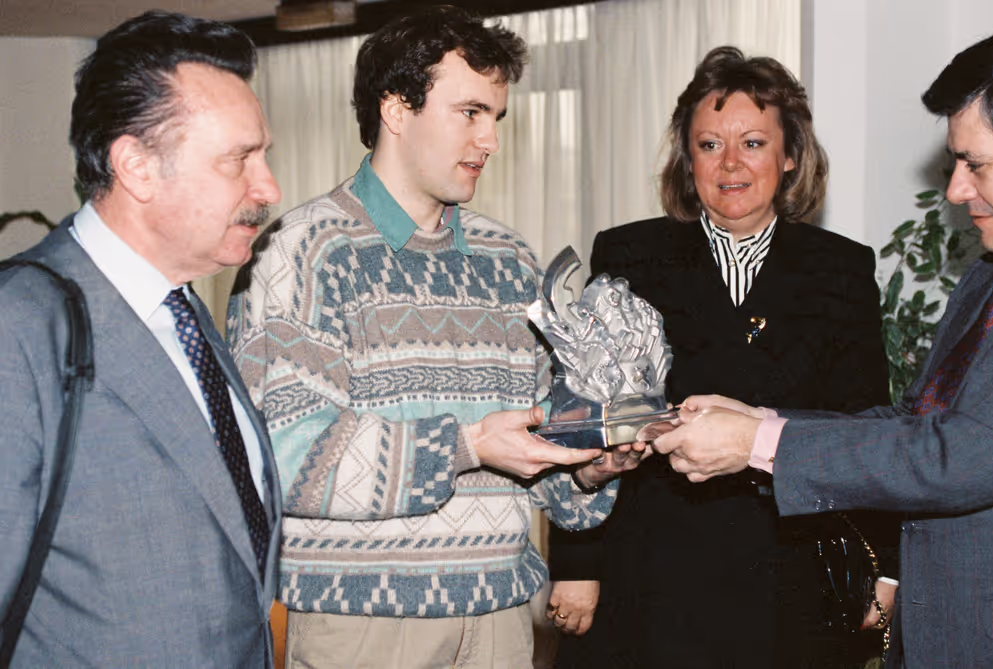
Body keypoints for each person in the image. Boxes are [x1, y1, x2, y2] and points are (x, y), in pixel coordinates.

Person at [226, 7, 643, 668]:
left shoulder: (509, 258)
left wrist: (594, 462)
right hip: (364, 623)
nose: (491, 141)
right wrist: (468, 443)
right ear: (397, 108)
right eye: (471, 112)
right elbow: (287, 456)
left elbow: (539, 453)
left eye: (497, 118)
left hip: (502, 620)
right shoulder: (301, 252)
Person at [649, 31, 993, 669]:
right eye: (709, 145)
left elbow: (966, 453)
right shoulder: (984, 279)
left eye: (975, 164)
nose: (954, 190)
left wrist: (755, 443)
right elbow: (912, 423)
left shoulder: (840, 268)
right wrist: (760, 421)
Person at [547, 46, 898, 668]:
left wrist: (884, 568)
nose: (730, 164)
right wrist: (577, 564)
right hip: (653, 575)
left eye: (754, 143)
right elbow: (584, 414)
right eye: (709, 145)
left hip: (793, 576)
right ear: (689, 160)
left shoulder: (842, 268)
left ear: (790, 156)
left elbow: (866, 429)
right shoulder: (629, 254)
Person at [0, 11, 284, 667]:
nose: (268, 187)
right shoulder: (20, 325)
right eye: (239, 159)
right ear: (137, 167)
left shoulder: (185, 309)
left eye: (263, 155)